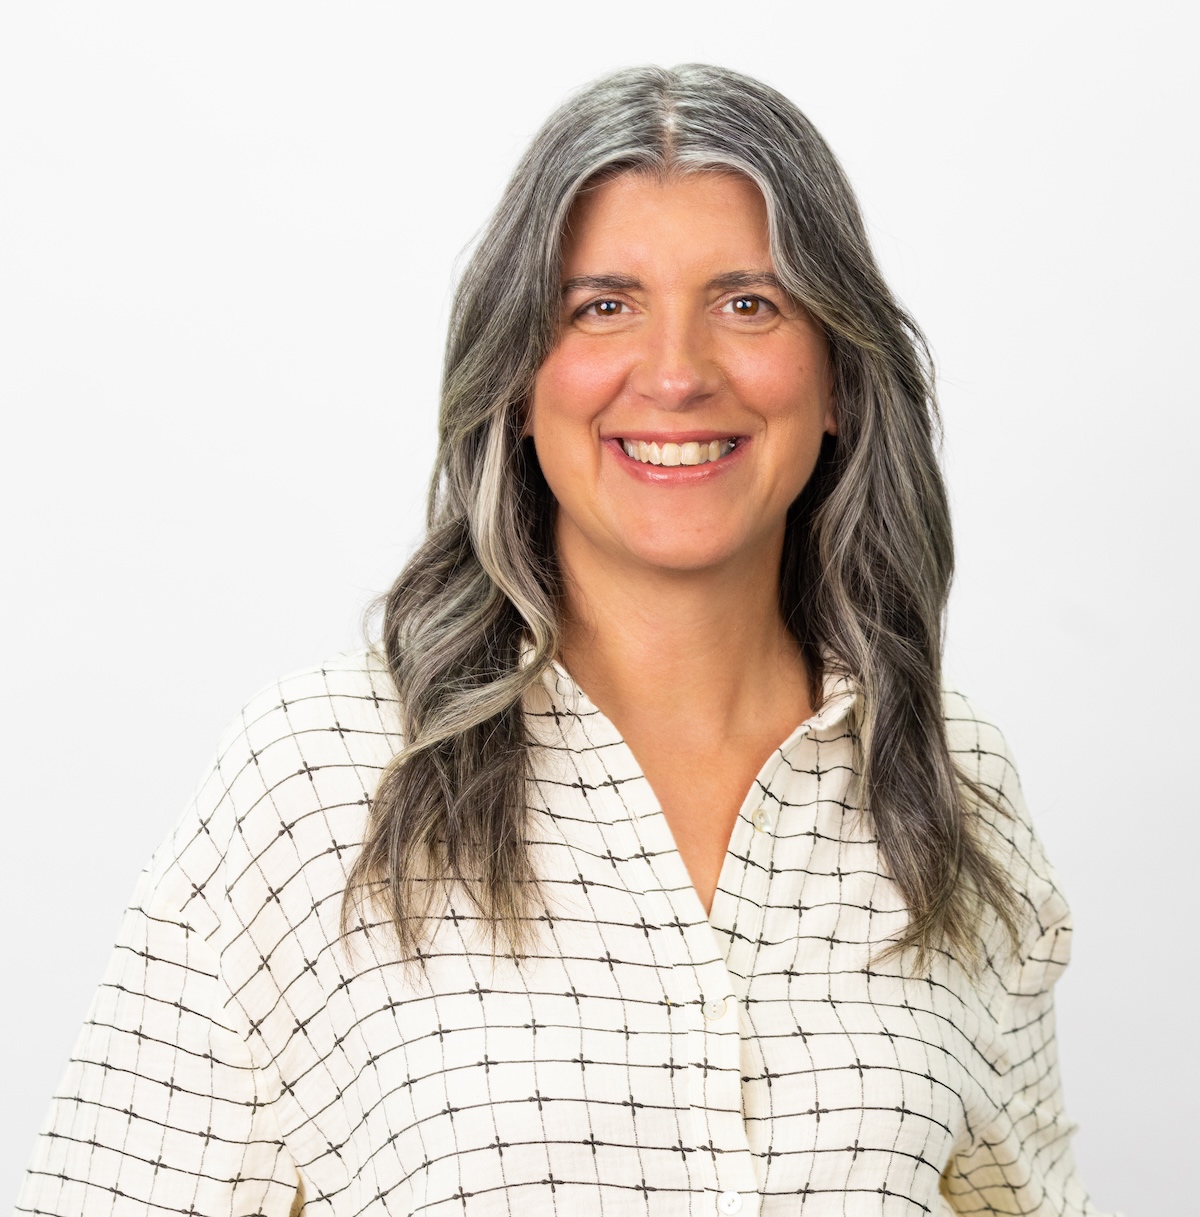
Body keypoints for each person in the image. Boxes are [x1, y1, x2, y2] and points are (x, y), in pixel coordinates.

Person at [16, 64, 1115, 1216]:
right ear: (517, 380)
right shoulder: (321, 778)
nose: (680, 373)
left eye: (750, 302)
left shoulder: (951, 781)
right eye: (603, 305)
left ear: (838, 377)